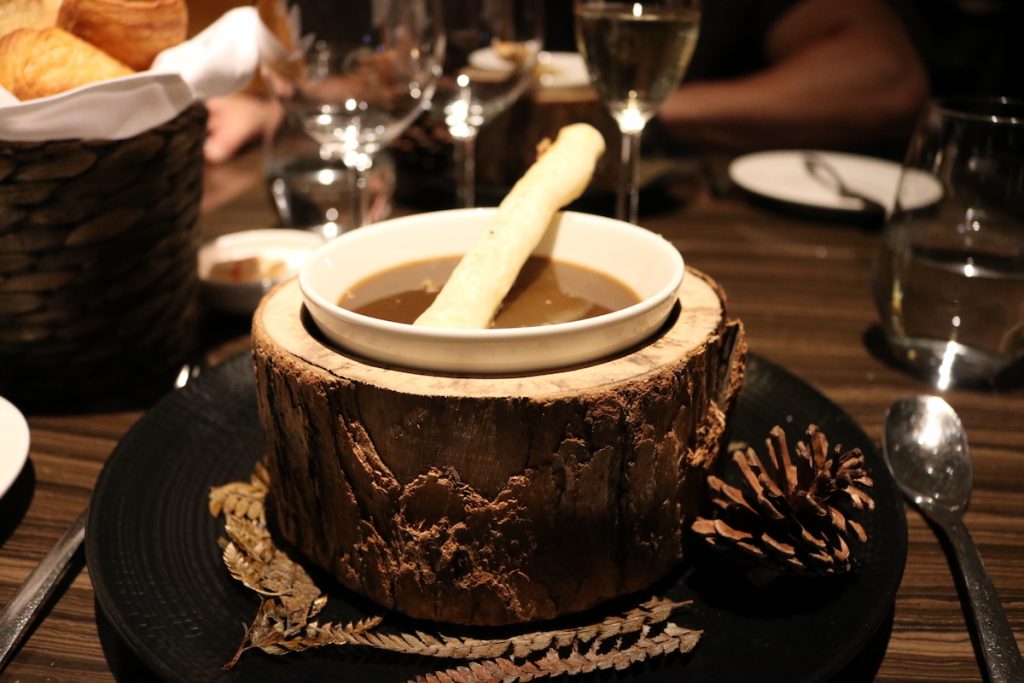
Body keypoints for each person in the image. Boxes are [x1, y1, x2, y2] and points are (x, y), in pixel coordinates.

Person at [200, 0, 928, 163]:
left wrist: (633, 110)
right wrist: (286, 107)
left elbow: (886, 79)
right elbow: (418, 61)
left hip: (709, 214)